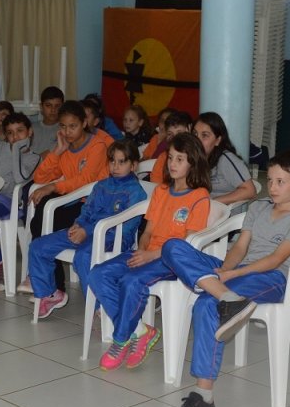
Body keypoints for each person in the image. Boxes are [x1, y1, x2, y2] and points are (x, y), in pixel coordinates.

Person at [159, 149, 290, 407]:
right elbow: (240, 247)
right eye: (270, 180)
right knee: (172, 247)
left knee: (206, 303)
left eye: (281, 182)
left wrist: (233, 273)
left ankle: (203, 395)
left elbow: (276, 259)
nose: (272, 187)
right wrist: (224, 270)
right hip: (236, 272)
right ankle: (227, 297)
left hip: (271, 278)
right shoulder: (259, 207)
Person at [87, 133, 210, 370]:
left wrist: (151, 256)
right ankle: (140, 330)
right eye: (170, 158)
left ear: (193, 163)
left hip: (171, 261)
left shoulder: (199, 197)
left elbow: (186, 244)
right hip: (148, 253)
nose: (172, 164)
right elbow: (148, 231)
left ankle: (119, 340)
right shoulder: (162, 190)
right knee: (98, 274)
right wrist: (142, 251)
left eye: (180, 159)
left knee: (131, 281)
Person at [32, 140, 148, 319]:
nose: (115, 166)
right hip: (86, 231)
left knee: (83, 256)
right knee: (38, 246)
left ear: (133, 165)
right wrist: (78, 224)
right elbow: (87, 209)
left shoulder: (136, 192)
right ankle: (50, 294)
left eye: (121, 162)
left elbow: (124, 225)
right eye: (112, 161)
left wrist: (87, 231)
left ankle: (100, 306)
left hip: (114, 237)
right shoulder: (101, 185)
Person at [17, 100, 110, 295]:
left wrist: (54, 186)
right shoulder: (65, 148)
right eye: (63, 126)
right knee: (40, 217)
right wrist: (57, 151)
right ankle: (51, 284)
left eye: (73, 126)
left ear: (84, 123)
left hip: (93, 207)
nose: (67, 132)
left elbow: (87, 180)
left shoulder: (97, 145)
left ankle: (51, 285)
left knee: (44, 218)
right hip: (73, 201)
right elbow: (40, 177)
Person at [0, 112, 40, 289]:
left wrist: (16, 151)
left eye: (20, 131)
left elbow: (20, 177)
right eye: (10, 133)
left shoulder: (34, 158)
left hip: (5, 201)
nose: (15, 137)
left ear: (30, 132)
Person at [193, 112, 257, 206]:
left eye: (205, 135)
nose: (197, 140)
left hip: (222, 212)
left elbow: (250, 191)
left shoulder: (225, 159)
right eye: (195, 134)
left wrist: (212, 203)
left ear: (218, 140)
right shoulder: (193, 158)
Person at [149, 110, 193, 185]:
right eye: (170, 134)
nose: (175, 138)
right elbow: (155, 183)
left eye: (179, 133)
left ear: (189, 129)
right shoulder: (163, 157)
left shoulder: (195, 155)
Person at [31, 86, 64, 156]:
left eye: (57, 106)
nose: (53, 110)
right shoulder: (31, 128)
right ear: (41, 107)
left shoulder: (65, 130)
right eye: (48, 105)